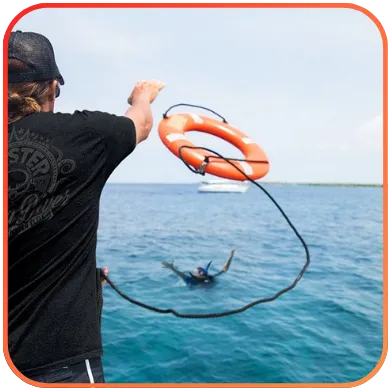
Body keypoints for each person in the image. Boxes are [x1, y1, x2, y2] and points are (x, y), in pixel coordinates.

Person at [7, 30, 165, 383]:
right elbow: (140, 124)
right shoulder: (85, 135)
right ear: (51, 87)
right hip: (55, 363)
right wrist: (141, 96)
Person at [162, 249, 235, 286]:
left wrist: (230, 257)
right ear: (195, 275)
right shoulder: (191, 281)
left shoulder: (210, 278)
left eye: (203, 270)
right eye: (200, 272)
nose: (202, 272)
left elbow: (224, 270)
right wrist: (172, 268)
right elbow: (180, 274)